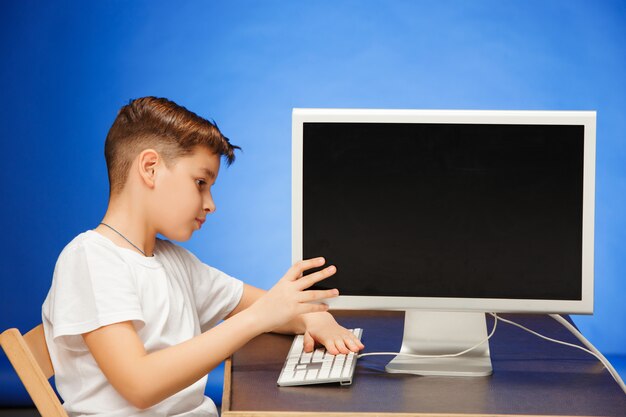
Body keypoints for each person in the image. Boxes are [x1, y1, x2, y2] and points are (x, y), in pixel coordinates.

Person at [42, 97, 364, 417]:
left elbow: (269, 307)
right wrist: (259, 318)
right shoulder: (91, 259)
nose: (210, 204)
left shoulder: (172, 261)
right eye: (200, 183)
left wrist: (314, 318)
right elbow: (140, 385)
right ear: (150, 168)